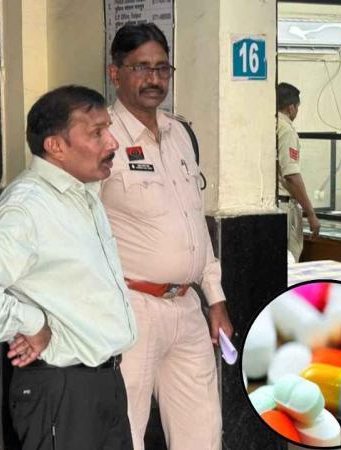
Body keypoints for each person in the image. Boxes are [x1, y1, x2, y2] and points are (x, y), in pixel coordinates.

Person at [0, 85, 137, 449]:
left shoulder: (83, 194)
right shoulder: (28, 207)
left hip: (104, 383)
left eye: (108, 130)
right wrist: (31, 322)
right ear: (56, 146)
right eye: (97, 133)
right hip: (62, 390)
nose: (112, 143)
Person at [100, 23, 233, 450]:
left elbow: (195, 223)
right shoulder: (100, 138)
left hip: (187, 305)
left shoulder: (181, 135)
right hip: (132, 309)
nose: (154, 78)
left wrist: (215, 299)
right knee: (125, 432)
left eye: (162, 68)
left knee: (203, 432)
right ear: (115, 73)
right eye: (141, 67)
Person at [276, 82, 320, 261]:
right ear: (291, 108)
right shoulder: (286, 130)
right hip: (284, 206)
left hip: (271, 205)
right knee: (289, 260)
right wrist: (311, 213)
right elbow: (291, 176)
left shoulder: (269, 125)